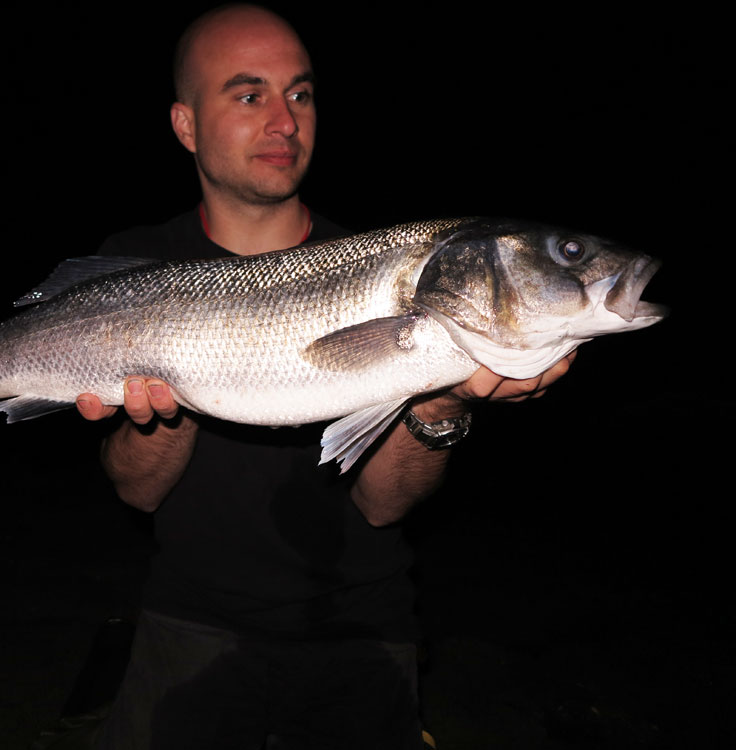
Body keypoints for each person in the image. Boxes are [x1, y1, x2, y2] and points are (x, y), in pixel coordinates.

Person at [74, 5, 573, 749]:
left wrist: (435, 401)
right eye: (250, 96)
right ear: (185, 125)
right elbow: (135, 489)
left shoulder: (376, 261)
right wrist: (166, 412)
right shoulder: (135, 267)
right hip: (189, 622)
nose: (285, 121)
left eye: (300, 94)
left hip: (361, 630)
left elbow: (382, 506)